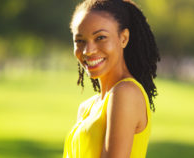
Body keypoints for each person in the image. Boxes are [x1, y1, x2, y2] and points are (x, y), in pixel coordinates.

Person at [63, 0, 160, 157]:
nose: (88, 51)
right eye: (80, 41)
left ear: (124, 38)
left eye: (100, 37)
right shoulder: (86, 108)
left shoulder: (125, 93)